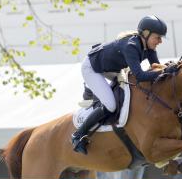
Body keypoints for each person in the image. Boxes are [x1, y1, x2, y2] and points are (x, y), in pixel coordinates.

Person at [71, 15, 171, 154]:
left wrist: (171, 68)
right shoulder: (131, 46)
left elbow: (156, 67)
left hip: (111, 69)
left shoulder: (148, 47)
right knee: (111, 106)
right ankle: (78, 135)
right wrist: (165, 71)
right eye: (158, 37)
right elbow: (140, 76)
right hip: (92, 68)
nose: (160, 41)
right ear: (146, 34)